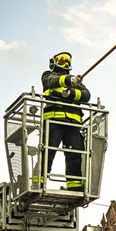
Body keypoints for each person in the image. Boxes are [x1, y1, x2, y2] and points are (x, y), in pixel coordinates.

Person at [35, 51, 90, 191]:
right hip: (54, 120)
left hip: (73, 123)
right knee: (47, 152)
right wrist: (67, 82)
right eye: (61, 59)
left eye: (67, 60)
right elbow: (51, 82)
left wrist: (70, 93)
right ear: (54, 62)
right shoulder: (48, 75)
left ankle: (75, 186)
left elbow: (86, 95)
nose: (65, 63)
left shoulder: (76, 81)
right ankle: (38, 182)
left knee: (75, 155)